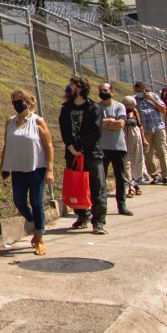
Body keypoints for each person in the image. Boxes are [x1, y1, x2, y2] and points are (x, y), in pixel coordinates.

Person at [1, 89, 54, 255]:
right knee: (19, 201)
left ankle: (39, 237)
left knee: (37, 201)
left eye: (19, 100)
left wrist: (50, 169)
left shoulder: (38, 121)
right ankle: (33, 220)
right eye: (14, 101)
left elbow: (49, 145)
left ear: (28, 102)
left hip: (36, 167)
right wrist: (3, 165)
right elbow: (6, 144)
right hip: (18, 168)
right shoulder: (10, 122)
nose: (17, 104)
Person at [57, 76, 102, 232]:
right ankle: (82, 215)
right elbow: (64, 130)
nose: (69, 87)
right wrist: (71, 147)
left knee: (96, 187)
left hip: (91, 153)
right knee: (76, 185)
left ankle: (98, 222)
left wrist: (81, 148)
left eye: (72, 84)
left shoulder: (93, 107)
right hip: (72, 153)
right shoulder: (66, 108)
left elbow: (95, 131)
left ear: (81, 87)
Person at [93, 83, 133, 220]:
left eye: (105, 90)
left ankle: (122, 205)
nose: (103, 92)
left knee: (120, 178)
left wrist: (104, 123)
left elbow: (120, 124)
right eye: (101, 90)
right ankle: (100, 207)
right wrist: (110, 120)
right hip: (101, 148)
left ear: (112, 91)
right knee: (100, 179)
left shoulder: (119, 106)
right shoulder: (96, 107)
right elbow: (94, 124)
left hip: (118, 147)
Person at [133, 81, 167, 185]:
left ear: (145, 89)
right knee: (148, 154)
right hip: (145, 130)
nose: (138, 93)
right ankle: (155, 175)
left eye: (140, 90)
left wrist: (152, 99)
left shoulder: (154, 96)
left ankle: (166, 175)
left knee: (162, 151)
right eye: (136, 91)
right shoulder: (134, 100)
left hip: (158, 127)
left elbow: (163, 109)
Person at [121, 94, 146, 194]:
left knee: (137, 159)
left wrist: (144, 139)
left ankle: (136, 183)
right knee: (126, 162)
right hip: (124, 138)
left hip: (135, 137)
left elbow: (140, 126)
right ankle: (130, 185)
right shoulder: (120, 111)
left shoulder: (135, 111)